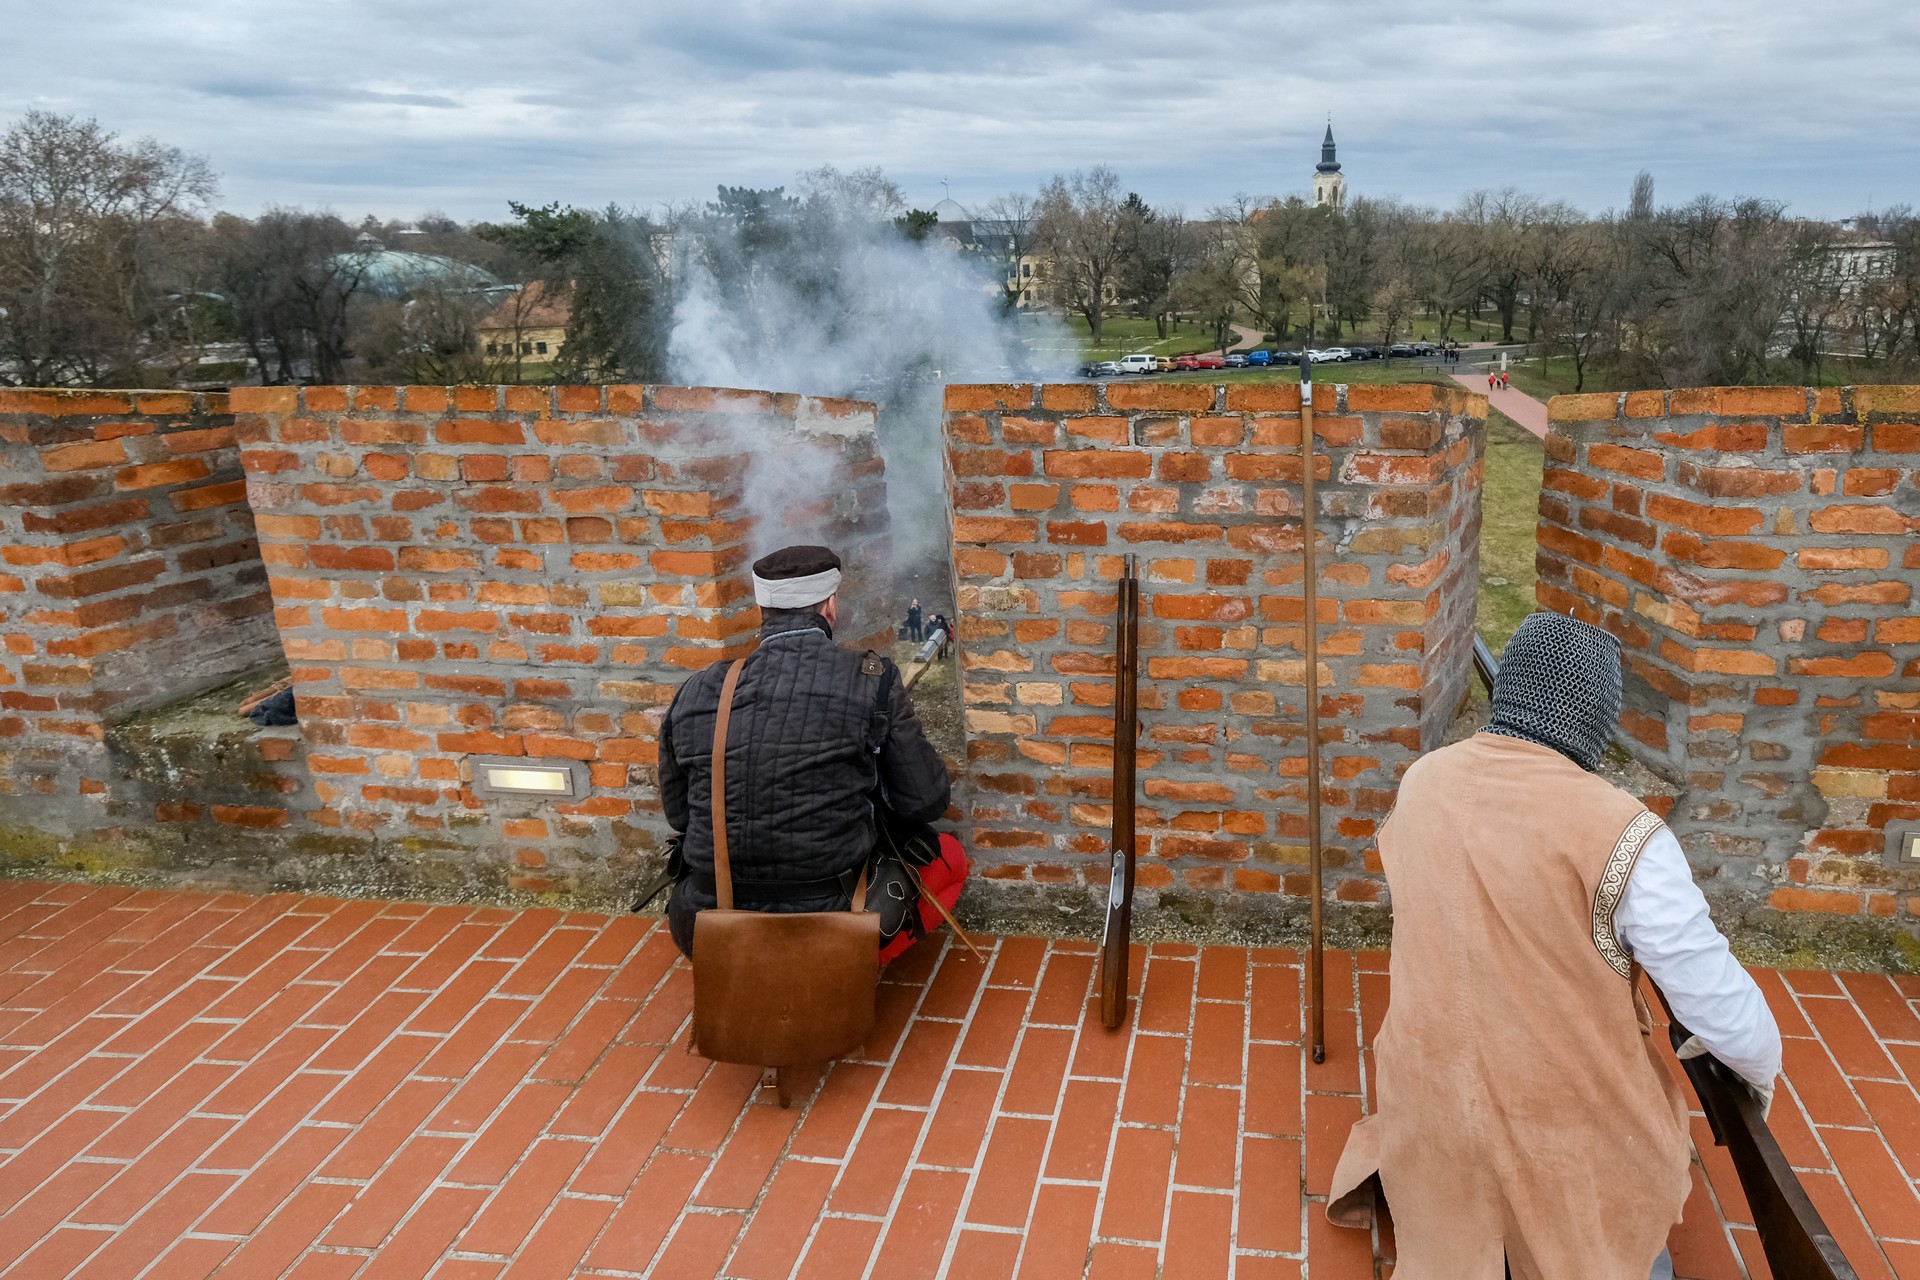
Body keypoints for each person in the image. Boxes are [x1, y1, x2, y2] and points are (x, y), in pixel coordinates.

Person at [1326, 611, 1781, 1280]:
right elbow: (1725, 1016)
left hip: (1430, 1103)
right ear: (1599, 717)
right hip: (1561, 1139)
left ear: (1509, 688)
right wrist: (1757, 1079)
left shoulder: (1424, 779)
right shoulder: (1626, 834)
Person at [659, 545, 969, 964]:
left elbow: (680, 816)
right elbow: (925, 800)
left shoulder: (698, 688)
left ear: (762, 610)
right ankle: (836, 969)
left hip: (706, 924)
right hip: (832, 923)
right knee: (949, 858)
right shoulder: (872, 678)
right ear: (831, 606)